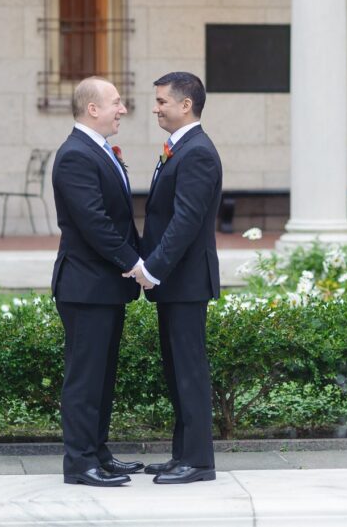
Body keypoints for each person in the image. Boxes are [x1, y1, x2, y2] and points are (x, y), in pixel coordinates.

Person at [50, 76, 152, 488]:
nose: (122, 109)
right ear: (93, 109)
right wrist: (136, 264)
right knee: (85, 378)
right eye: (116, 102)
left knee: (103, 377)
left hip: (104, 286)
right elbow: (94, 222)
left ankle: (99, 453)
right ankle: (79, 463)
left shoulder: (98, 150)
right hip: (85, 287)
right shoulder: (75, 155)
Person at [127, 71, 223, 485]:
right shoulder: (180, 148)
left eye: (162, 101)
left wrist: (152, 267)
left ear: (186, 105)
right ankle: (182, 453)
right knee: (176, 370)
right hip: (176, 283)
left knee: (189, 370)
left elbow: (186, 221)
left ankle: (199, 461)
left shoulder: (197, 152)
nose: (155, 108)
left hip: (184, 282)